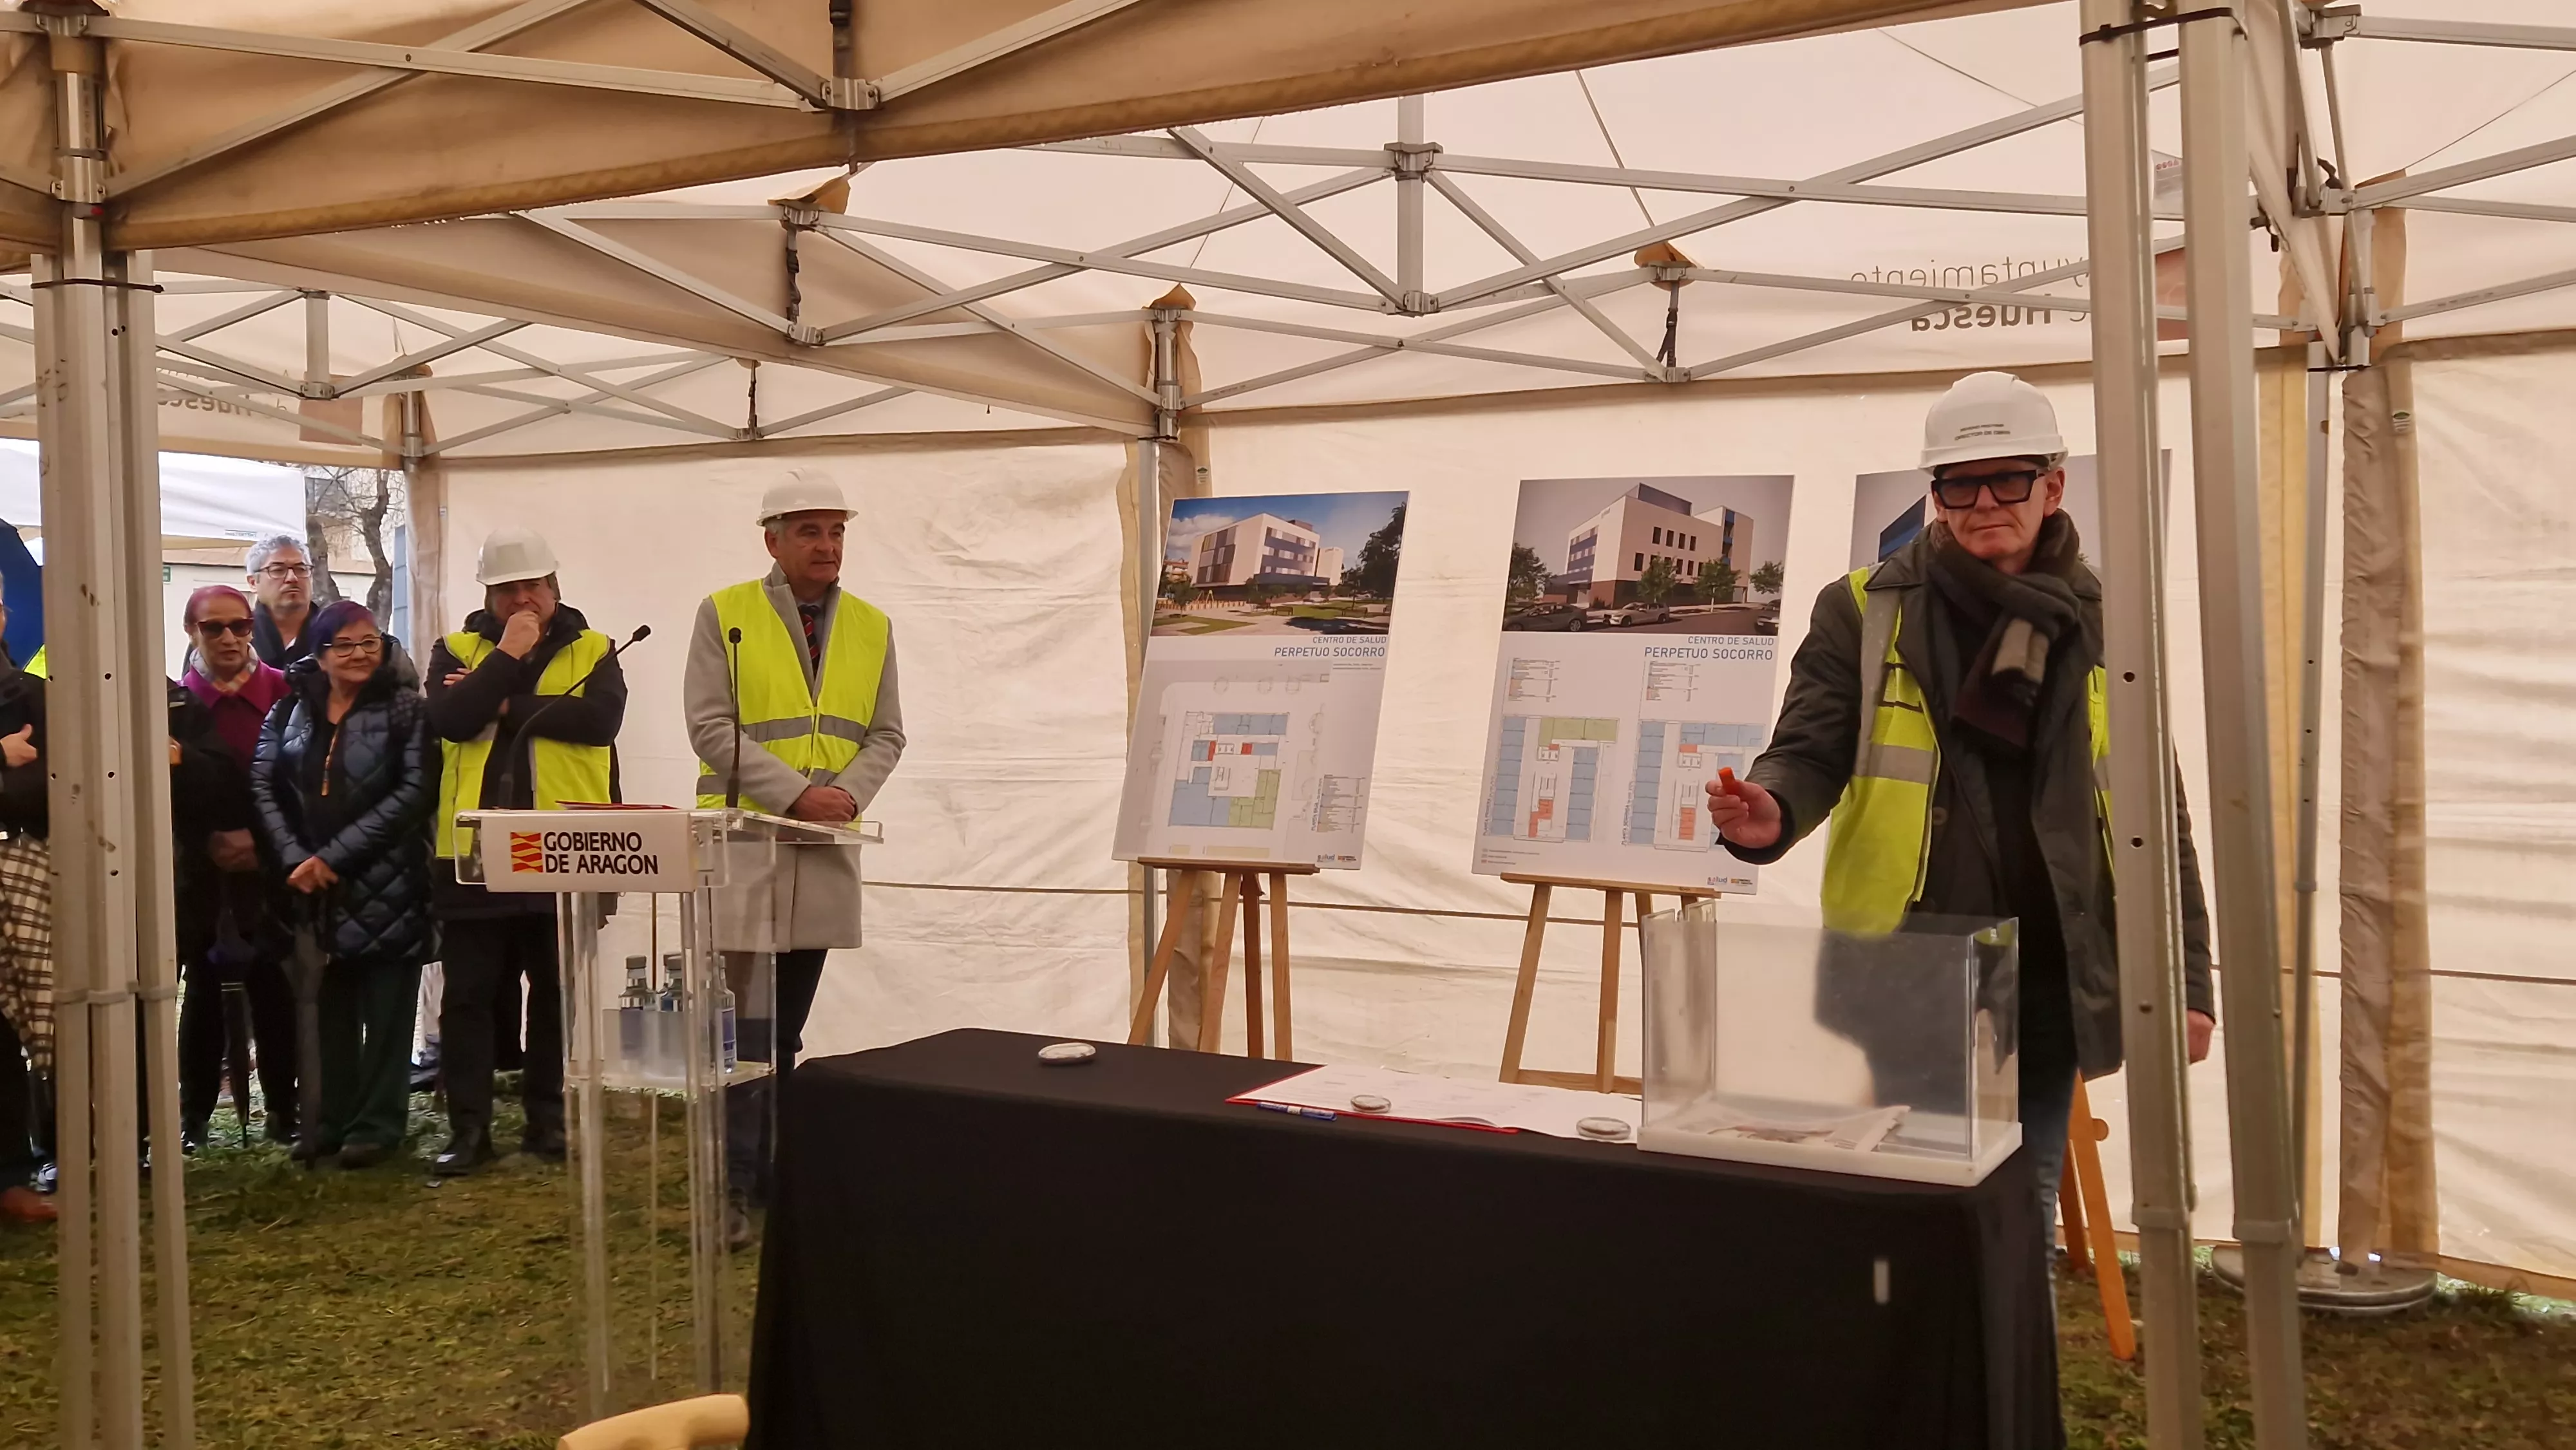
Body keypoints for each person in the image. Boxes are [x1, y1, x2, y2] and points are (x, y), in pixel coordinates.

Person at [1703, 371, 2216, 1251]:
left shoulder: (2108, 620)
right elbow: (1812, 745)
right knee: (1922, 1193)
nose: (1985, 501)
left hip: (2058, 959)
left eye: (2009, 478)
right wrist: (1774, 810)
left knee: (2025, 1197)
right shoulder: (1861, 610)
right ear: (1934, 495)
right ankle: (1929, 1374)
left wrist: (2191, 977)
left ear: (2052, 485)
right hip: (1912, 960)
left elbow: (2152, 808)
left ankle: (2009, 1375)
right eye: (1960, 483)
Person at [685, 471, 904, 1247]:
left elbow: (887, 733)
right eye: (810, 530)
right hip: (745, 846)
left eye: (837, 530)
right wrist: (794, 795)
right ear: (771, 538)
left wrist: (844, 796)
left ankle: (774, 1183)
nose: (827, 544)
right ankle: (730, 1191)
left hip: (822, 852)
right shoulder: (727, 613)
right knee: (740, 1031)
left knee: (785, 1033)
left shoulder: (873, 625)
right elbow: (710, 727)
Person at [424, 527, 627, 1175]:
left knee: (554, 992)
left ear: (555, 586)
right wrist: (508, 657)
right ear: (488, 594)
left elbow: (598, 722)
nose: (523, 600)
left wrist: (498, 698)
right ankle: (470, 1129)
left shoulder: (596, 648)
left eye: (533, 586)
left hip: (564, 845)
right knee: (470, 995)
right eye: (508, 589)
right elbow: (452, 719)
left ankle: (547, 1123)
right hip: (473, 850)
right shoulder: (453, 647)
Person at [251, 601, 437, 1170]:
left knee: (386, 1007)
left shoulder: (408, 709)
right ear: (321, 654)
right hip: (312, 889)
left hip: (390, 881)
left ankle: (377, 1125)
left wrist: (333, 857)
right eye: (345, 645)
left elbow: (413, 793)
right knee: (326, 1009)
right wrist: (294, 858)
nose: (359, 655)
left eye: (369, 643)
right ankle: (327, 1119)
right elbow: (263, 784)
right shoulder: (291, 710)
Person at [173, 585, 299, 1151]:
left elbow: (301, 782)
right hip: (202, 869)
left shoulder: (286, 691)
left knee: (276, 990)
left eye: (240, 626)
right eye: (213, 628)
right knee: (201, 993)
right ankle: (193, 1117)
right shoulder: (175, 702)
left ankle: (284, 1111)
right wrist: (209, 842)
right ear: (191, 632)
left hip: (273, 866)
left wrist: (265, 844)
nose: (229, 638)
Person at [0, 603, 52, 1222]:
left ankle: (12, 1176)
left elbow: (56, 783)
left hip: (23, 870)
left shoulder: (34, 696)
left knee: (10, 1026)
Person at [247, 534, 318, 670]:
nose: (292, 578)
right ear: (253, 583)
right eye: (278, 570)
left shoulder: (336, 632)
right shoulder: (234, 634)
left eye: (301, 569)